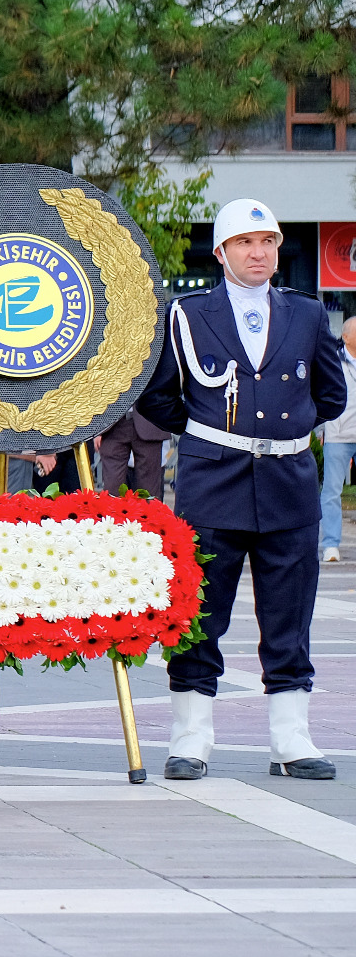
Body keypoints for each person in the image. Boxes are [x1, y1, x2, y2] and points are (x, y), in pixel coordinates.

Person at [138, 198, 342, 780]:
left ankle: (291, 738)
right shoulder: (188, 313)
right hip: (214, 484)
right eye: (246, 243)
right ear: (223, 252)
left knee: (289, 615)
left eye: (269, 243)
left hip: (287, 484)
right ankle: (191, 738)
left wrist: (287, 426)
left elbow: (331, 395)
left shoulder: (306, 313)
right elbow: (158, 396)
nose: (259, 253)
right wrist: (208, 436)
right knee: (200, 612)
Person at [318, 320, 356, 562]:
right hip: (338, 435)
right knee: (332, 491)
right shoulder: (333, 361)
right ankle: (331, 544)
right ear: (346, 336)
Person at [96, 408, 168, 504]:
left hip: (150, 418)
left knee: (149, 496)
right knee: (112, 493)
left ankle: (148, 517)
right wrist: (96, 428)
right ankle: (112, 519)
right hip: (110, 421)